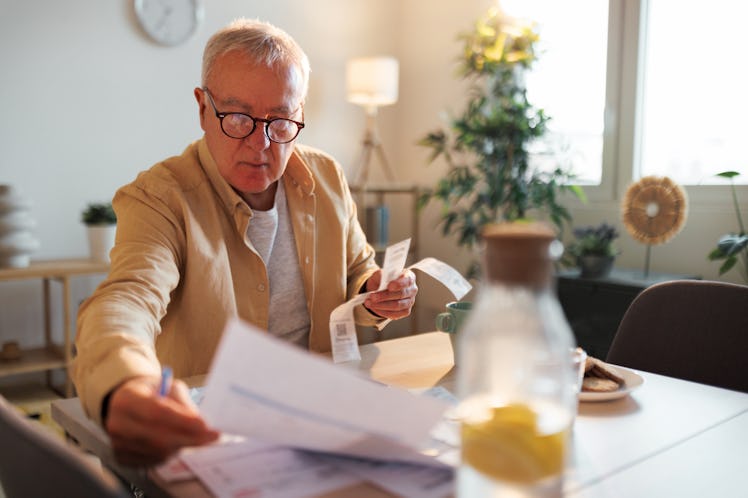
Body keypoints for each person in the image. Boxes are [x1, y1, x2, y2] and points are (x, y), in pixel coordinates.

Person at [71, 18, 418, 467]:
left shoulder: (327, 177)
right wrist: (127, 383)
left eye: (280, 121)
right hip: (215, 429)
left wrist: (376, 292)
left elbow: (357, 270)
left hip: (321, 413)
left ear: (300, 113)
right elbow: (127, 299)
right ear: (202, 108)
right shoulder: (160, 197)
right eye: (237, 118)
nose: (260, 143)